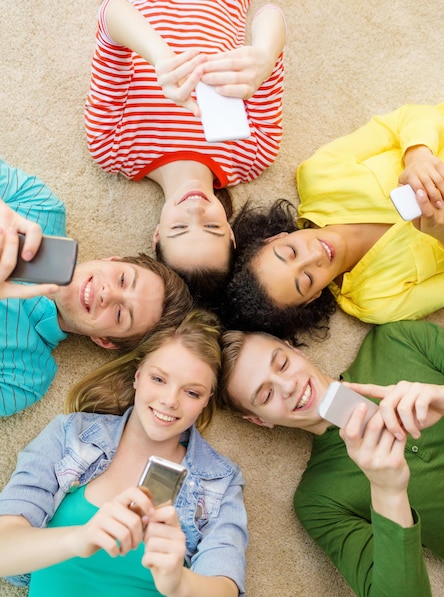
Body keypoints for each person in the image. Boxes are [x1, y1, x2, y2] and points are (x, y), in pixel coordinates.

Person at [0, 309, 248, 597]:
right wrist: (79, 538)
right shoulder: (70, 435)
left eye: (192, 392)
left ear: (206, 400)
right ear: (137, 374)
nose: (170, 400)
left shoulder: (220, 482)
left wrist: (177, 581)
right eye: (159, 379)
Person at [218, 319, 444, 597]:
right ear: (259, 420)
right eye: (266, 395)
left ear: (294, 349)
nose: (288, 386)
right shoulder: (318, 500)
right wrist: (387, 491)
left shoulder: (397, 340)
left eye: (282, 364)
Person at [84, 0, 286, 307]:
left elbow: (111, 14)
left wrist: (159, 56)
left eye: (179, 228)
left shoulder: (113, 147)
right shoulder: (252, 155)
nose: (195, 211)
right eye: (212, 227)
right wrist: (264, 56)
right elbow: (270, 14)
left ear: (157, 234)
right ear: (231, 233)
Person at [222, 103, 444, 340]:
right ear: (313, 297)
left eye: (292, 251)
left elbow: (409, 117)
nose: (315, 256)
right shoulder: (376, 301)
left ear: (277, 237)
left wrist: (418, 157)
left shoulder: (320, 176)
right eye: (306, 279)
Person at [0, 158, 192, 417]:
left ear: (104, 341)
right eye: (123, 279)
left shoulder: (24, 378)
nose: (108, 293)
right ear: (113, 260)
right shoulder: (40, 206)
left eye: (120, 314)